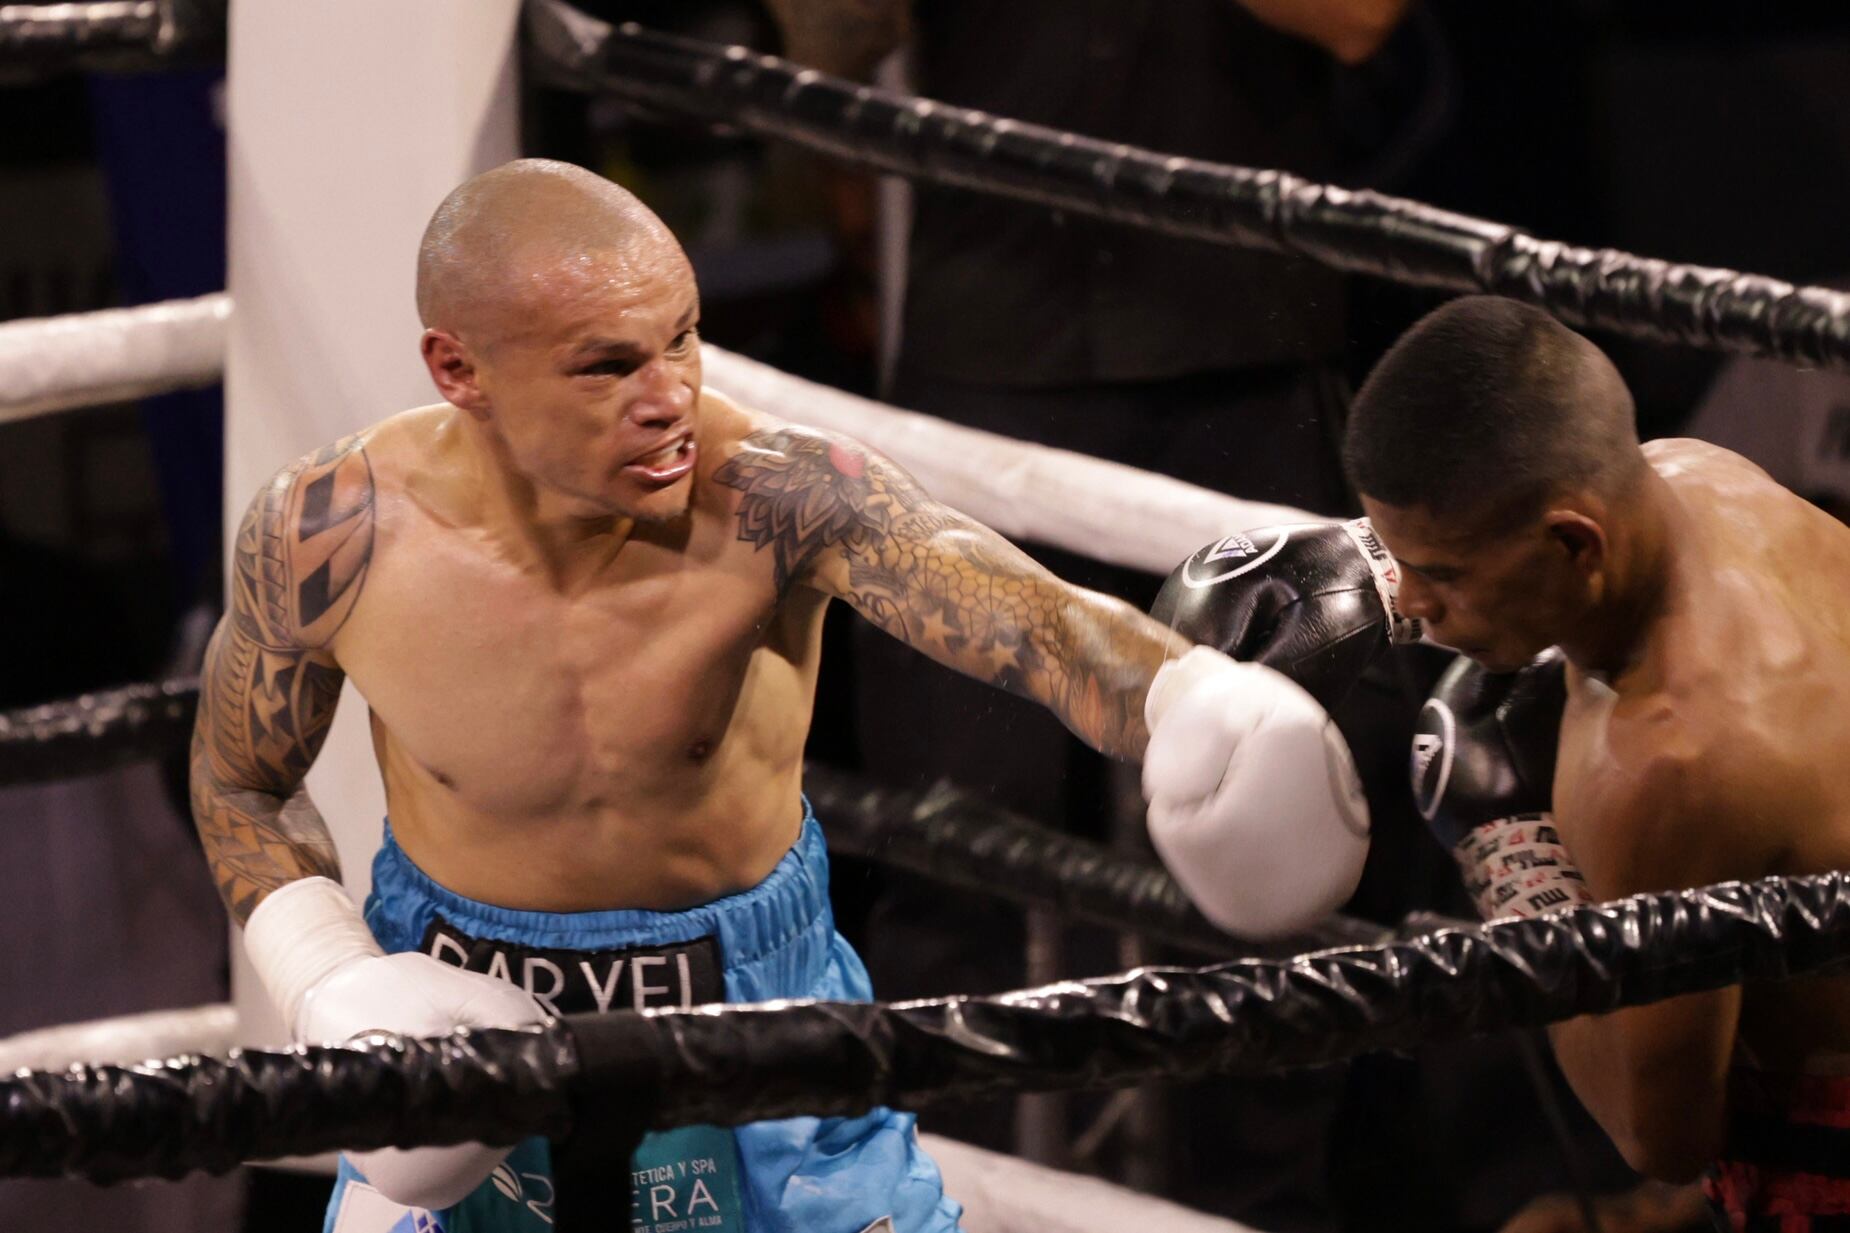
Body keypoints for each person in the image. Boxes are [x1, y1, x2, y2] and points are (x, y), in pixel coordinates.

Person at [187, 158, 1371, 1233]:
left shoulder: (779, 501)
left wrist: (1190, 701)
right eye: (607, 366)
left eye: (684, 339)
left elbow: (1029, 623)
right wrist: (329, 976)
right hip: (454, 1001)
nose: (669, 399)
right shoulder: (333, 532)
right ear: (459, 370)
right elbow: (240, 776)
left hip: (758, 1018)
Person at [1341, 294, 1850, 1228]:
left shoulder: (1677, 765)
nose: (1409, 602)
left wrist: (1508, 852)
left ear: (1575, 542)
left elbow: (1659, 1135)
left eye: (1441, 573)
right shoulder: (1696, 473)